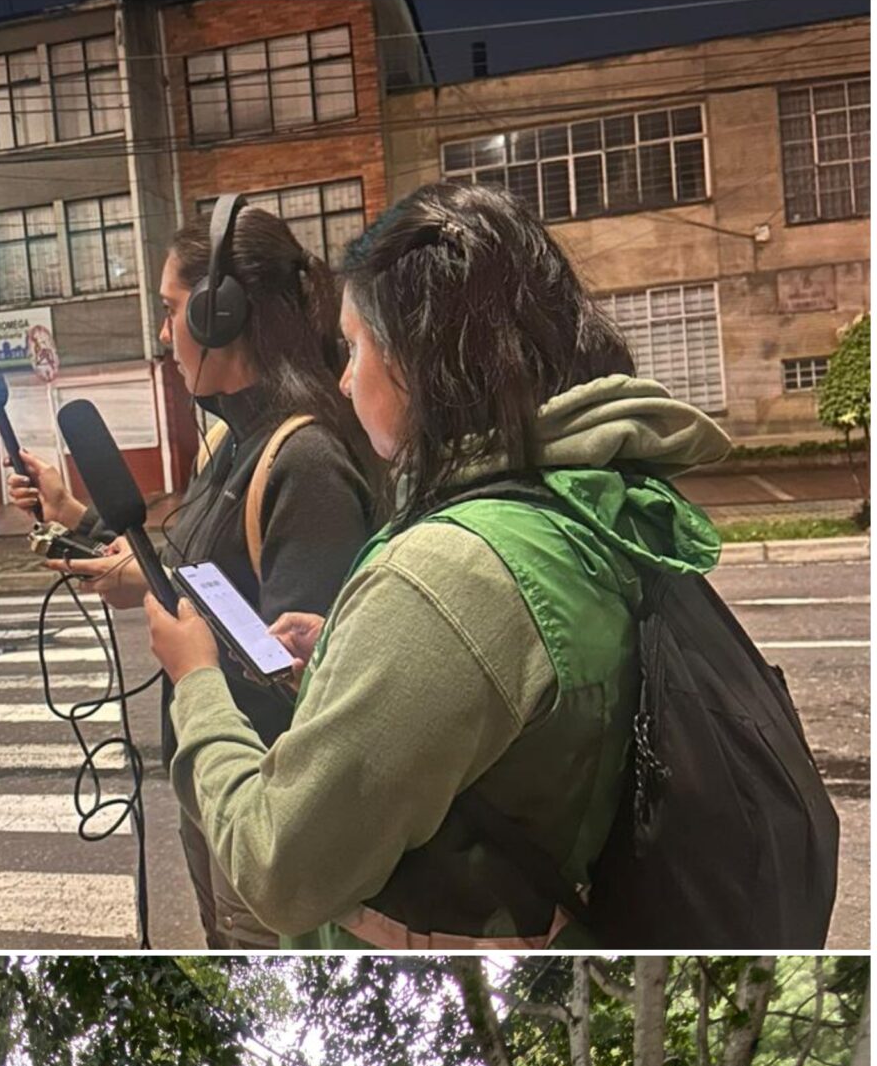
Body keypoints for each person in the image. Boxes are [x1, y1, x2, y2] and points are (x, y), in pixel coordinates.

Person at [146, 181, 731, 948]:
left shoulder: (450, 571)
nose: (345, 378)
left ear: (425, 361)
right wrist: (352, 656)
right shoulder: (586, 498)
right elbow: (509, 691)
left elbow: (279, 870)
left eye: (356, 349)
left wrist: (195, 683)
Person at [9, 204, 378, 949]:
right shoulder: (232, 441)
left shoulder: (304, 462)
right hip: (212, 785)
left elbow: (304, 678)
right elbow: (193, 566)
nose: (163, 334)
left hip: (265, 809)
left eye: (172, 311)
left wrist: (154, 594)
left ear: (221, 316)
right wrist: (76, 513)